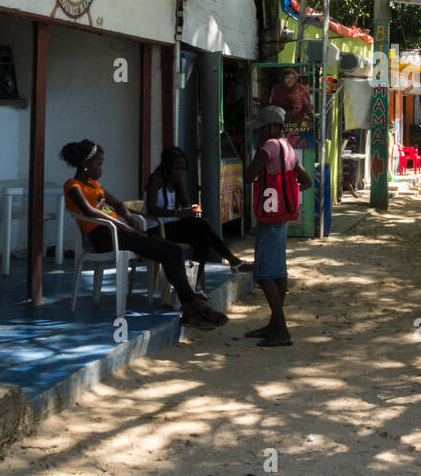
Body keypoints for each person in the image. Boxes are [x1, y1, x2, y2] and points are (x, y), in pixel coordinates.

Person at [60, 139, 227, 330]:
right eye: (99, 164)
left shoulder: (94, 185)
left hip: (120, 233)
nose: (102, 169)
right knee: (165, 251)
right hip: (103, 237)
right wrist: (123, 226)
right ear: (85, 165)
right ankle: (196, 308)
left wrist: (130, 219)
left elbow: (118, 204)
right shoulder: (72, 186)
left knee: (173, 250)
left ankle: (190, 311)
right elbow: (89, 211)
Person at [244, 105, 312, 346]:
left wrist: (258, 154)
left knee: (263, 275)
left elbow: (249, 174)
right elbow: (306, 180)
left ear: (272, 127)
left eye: (261, 128)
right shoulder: (288, 147)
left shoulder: (270, 146)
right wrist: (288, 192)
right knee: (278, 272)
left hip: (268, 218)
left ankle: (281, 329)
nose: (258, 133)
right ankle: (274, 323)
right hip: (282, 216)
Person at [143, 146, 250, 272]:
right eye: (176, 169)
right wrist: (177, 213)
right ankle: (233, 261)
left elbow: (187, 207)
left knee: (202, 240)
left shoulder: (177, 182)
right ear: (167, 167)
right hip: (155, 229)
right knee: (202, 226)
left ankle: (193, 283)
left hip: (171, 228)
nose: (180, 172)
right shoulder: (155, 179)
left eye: (183, 169)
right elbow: (151, 209)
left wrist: (193, 211)